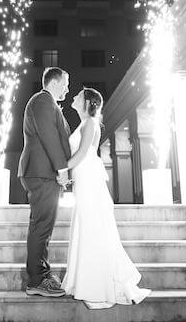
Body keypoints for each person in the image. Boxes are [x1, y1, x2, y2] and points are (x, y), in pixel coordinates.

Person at [61, 88, 151, 309]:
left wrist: (61, 169)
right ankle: (87, 282)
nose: (73, 98)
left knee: (91, 226)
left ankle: (96, 287)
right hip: (83, 178)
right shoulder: (86, 123)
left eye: (78, 96)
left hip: (88, 179)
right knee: (86, 225)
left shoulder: (90, 122)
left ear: (87, 102)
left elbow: (82, 154)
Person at [18, 67, 71, 297]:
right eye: (66, 84)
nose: (67, 89)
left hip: (43, 172)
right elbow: (49, 135)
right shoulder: (42, 100)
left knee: (43, 226)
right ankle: (36, 280)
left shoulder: (47, 103)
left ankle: (41, 273)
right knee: (41, 226)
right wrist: (62, 169)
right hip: (41, 171)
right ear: (54, 83)